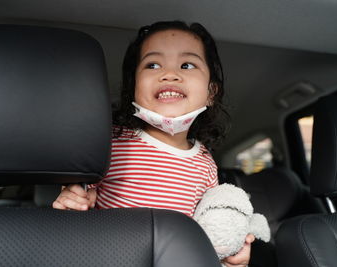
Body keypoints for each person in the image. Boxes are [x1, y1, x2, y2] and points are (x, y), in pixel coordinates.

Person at [53, 21, 254, 267]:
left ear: (211, 92)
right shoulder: (111, 141)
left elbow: (206, 233)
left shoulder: (205, 163)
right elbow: (78, 194)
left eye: (187, 65)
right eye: (153, 64)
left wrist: (229, 261)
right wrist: (72, 200)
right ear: (134, 88)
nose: (169, 74)